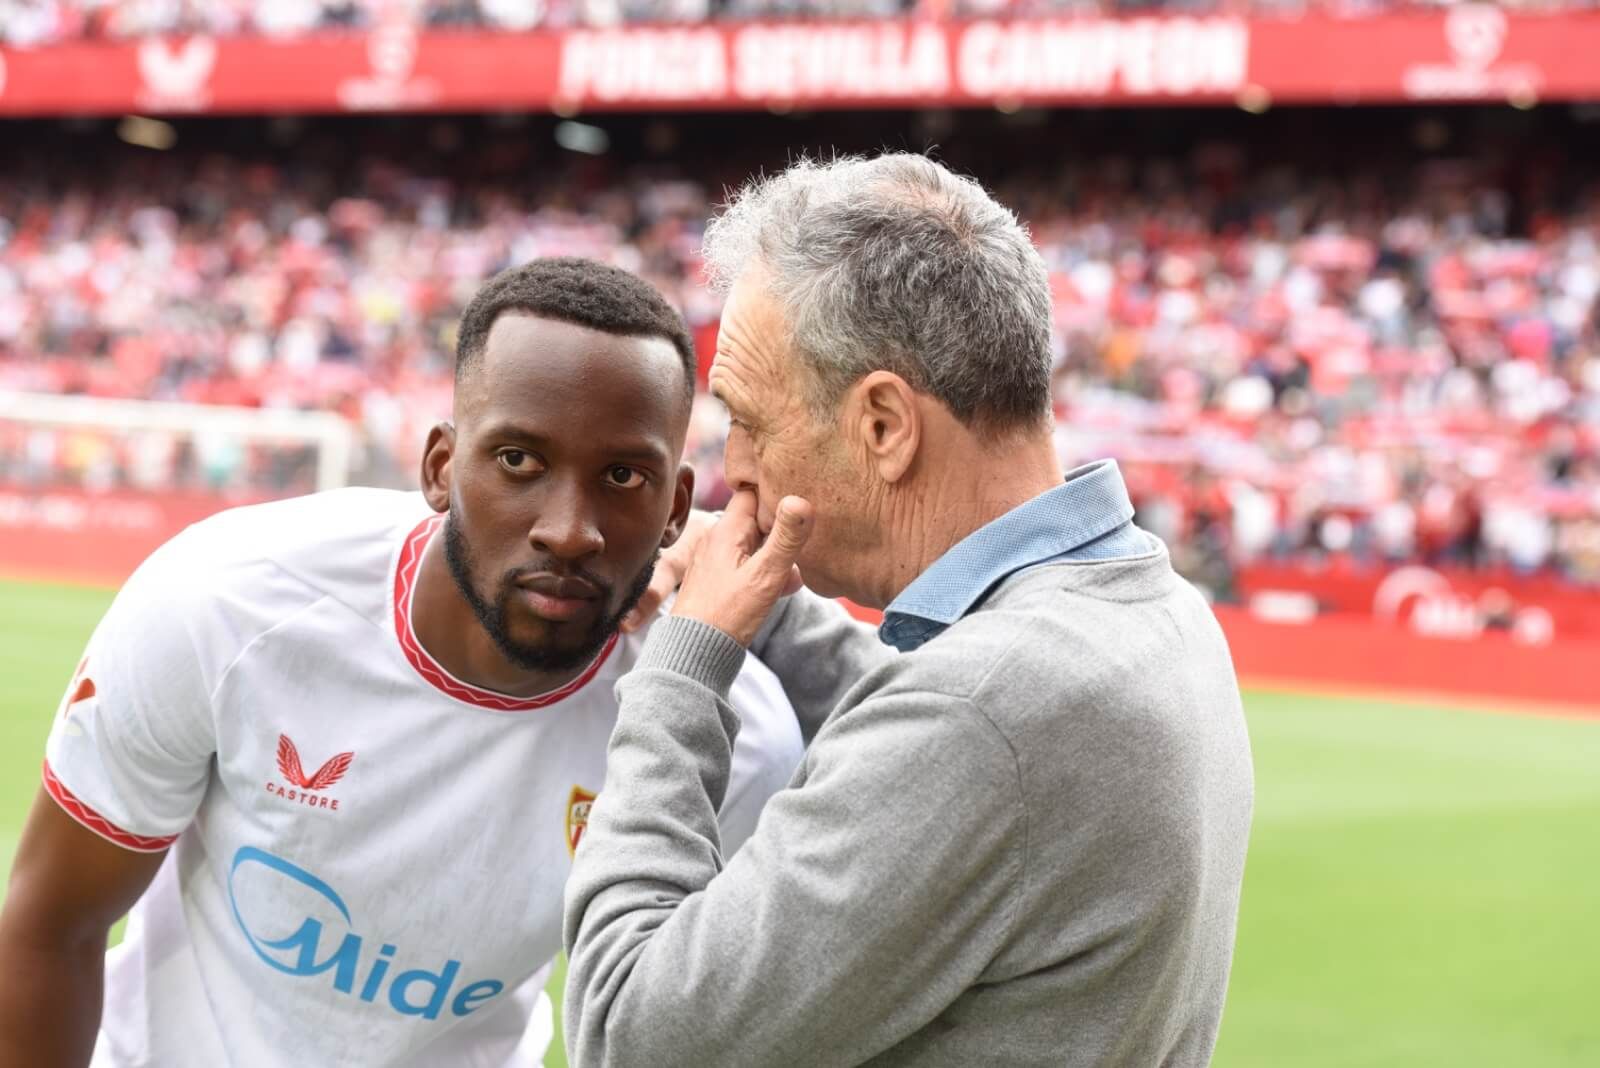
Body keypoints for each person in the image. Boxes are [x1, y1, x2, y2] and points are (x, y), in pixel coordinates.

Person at [0, 258, 804, 1068]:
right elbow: (50, 926)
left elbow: (694, 1037)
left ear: (675, 509)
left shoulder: (733, 741)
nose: (569, 529)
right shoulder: (225, 603)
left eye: (622, 476)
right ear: (440, 468)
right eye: (519, 460)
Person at [563, 155, 1256, 1067]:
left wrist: (686, 661)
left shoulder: (986, 715)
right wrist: (768, 608)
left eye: (751, 421)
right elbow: (943, 740)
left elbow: (632, 1030)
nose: (736, 469)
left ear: (884, 426)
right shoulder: (1155, 608)